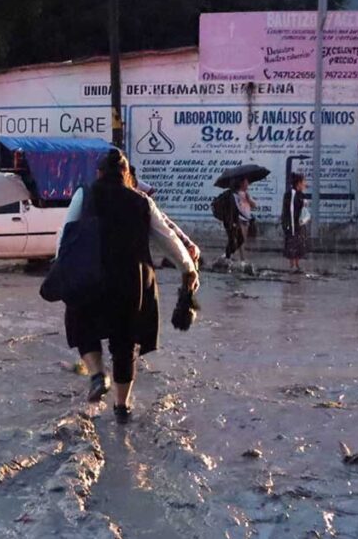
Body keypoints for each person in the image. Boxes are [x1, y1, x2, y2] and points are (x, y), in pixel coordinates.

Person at [61, 149, 198, 424]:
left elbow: (67, 234)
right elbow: (167, 238)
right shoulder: (142, 202)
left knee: (81, 323)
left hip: (91, 275)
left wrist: (60, 267)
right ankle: (122, 408)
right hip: (131, 280)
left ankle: (98, 374)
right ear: (126, 175)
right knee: (125, 342)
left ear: (99, 173)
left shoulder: (84, 195)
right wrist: (188, 269)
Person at [281, 172, 309, 273]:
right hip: (292, 224)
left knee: (300, 245)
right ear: (298, 183)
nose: (305, 184)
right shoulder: (291, 194)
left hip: (299, 223)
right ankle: (292, 265)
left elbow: (302, 209)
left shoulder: (301, 194)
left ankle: (297, 264)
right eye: (303, 182)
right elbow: (291, 210)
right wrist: (291, 226)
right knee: (292, 244)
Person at [232, 179, 257, 261]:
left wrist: (248, 199)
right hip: (239, 219)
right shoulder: (236, 195)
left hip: (246, 220)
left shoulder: (247, 195)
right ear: (241, 184)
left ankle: (238, 257)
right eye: (246, 183)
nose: (247, 185)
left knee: (243, 240)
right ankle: (241, 258)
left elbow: (254, 205)